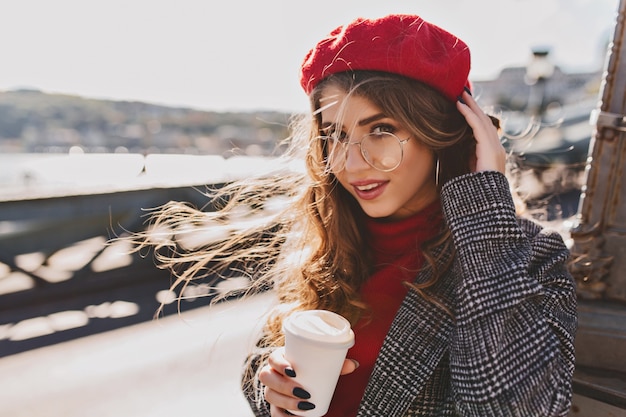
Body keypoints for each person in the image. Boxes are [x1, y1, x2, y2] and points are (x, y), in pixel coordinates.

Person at [136, 13, 577, 417]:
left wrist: (484, 213)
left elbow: (511, 407)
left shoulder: (527, 254)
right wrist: (270, 387)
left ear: (441, 134)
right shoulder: (330, 238)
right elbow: (265, 361)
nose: (350, 163)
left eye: (381, 130)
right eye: (334, 135)